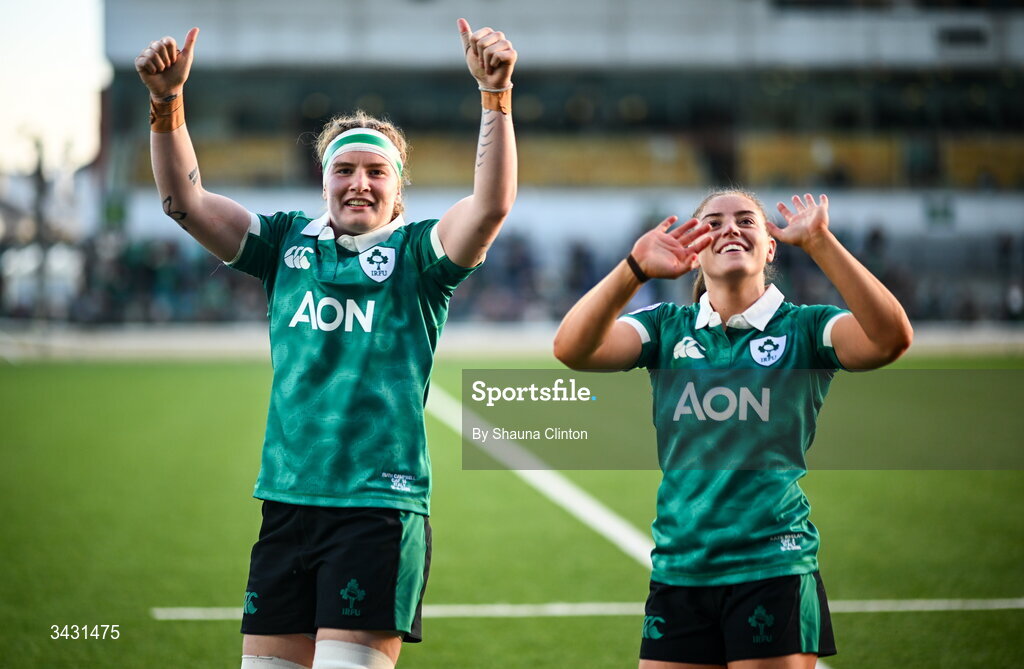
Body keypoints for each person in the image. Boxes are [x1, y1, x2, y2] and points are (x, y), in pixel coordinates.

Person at [135, 19, 517, 669]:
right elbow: (184, 202)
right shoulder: (285, 243)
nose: (358, 184)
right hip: (285, 505)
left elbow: (489, 207)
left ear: (399, 188)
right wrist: (166, 102)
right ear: (323, 180)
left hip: (375, 511)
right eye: (344, 170)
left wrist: (495, 99)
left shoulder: (418, 254)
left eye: (375, 171)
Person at [553, 189, 912, 668]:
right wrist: (633, 269)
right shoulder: (666, 328)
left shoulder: (805, 329)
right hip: (680, 569)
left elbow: (890, 339)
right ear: (694, 249)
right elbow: (572, 349)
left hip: (773, 566)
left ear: (770, 247)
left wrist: (823, 242)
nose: (730, 229)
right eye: (714, 222)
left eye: (746, 221)